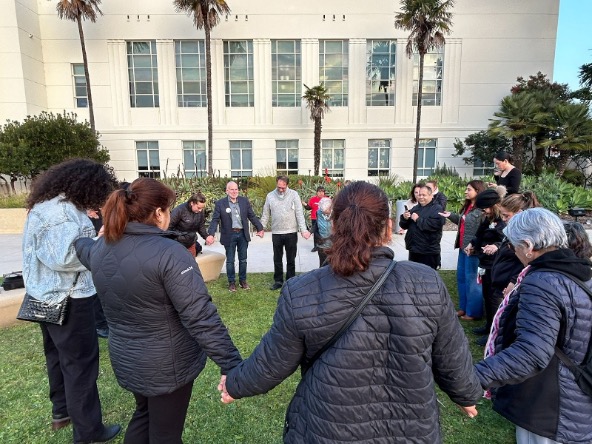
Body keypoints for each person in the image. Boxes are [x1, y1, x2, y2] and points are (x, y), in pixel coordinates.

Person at [219, 182, 481, 443]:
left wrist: (234, 384)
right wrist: (465, 394)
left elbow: (271, 363)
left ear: (334, 225)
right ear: (387, 227)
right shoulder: (426, 282)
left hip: (332, 430)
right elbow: (453, 358)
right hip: (403, 429)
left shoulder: (303, 290)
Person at [75, 178, 242, 443]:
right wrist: (231, 363)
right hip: (167, 367)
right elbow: (200, 317)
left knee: (144, 414)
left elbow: (81, 246)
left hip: (129, 359)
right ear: (158, 213)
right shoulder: (171, 254)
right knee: (165, 433)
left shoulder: (100, 249)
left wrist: (99, 236)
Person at [21, 159, 121, 443]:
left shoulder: (46, 205)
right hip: (69, 299)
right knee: (81, 365)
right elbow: (67, 256)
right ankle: (89, 432)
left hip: (44, 297)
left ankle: (61, 411)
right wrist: (101, 240)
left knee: (57, 357)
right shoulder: (63, 213)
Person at [474, 208, 592, 444]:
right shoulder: (581, 271)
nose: (513, 250)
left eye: (514, 245)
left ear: (528, 246)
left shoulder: (543, 282)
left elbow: (531, 353)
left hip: (552, 405)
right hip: (577, 397)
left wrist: (473, 377)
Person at [439, 180, 486, 319]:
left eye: (469, 189)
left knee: (472, 281)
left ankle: (473, 312)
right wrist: (451, 216)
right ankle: (463, 308)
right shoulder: (468, 206)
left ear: (478, 191)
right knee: (462, 279)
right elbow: (463, 221)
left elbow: (482, 231)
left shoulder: (482, 210)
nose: (466, 191)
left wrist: (475, 246)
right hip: (462, 248)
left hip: (473, 251)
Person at [206, 181, 264, 292]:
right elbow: (215, 220)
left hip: (242, 234)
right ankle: (231, 283)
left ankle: (243, 281)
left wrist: (260, 228)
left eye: (236, 189)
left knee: (243, 260)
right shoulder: (220, 203)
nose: (234, 191)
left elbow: (251, 216)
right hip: (229, 235)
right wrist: (211, 234)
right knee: (230, 260)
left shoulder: (244, 201)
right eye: (231, 189)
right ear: (227, 191)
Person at [464, 188, 507, 328]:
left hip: (496, 264)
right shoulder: (488, 219)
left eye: (486, 209)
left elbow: (506, 240)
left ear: (495, 205)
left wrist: (496, 246)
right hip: (484, 263)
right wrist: (472, 244)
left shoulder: (503, 220)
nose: (484, 212)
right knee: (487, 295)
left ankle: (495, 329)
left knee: (495, 298)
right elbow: (479, 235)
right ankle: (489, 325)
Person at [261, 176, 311, 290]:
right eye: (279, 187)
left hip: (291, 232)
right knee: (277, 258)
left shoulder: (294, 195)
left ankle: (290, 281)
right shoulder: (270, 196)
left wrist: (303, 230)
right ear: (276, 184)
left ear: (287, 185)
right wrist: (261, 228)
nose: (281, 189)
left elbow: (299, 214)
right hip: (277, 233)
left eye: (283, 187)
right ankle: (278, 281)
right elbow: (265, 214)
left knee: (291, 258)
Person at [399, 184, 445, 269]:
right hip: (414, 249)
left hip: (428, 251)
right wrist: (404, 218)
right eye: (419, 195)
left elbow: (434, 225)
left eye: (424, 195)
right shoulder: (415, 208)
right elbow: (404, 226)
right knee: (414, 275)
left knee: (428, 277)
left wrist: (418, 219)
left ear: (431, 195)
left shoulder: (437, 209)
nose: (421, 197)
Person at [302, 186, 326, 252]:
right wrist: (305, 204)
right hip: (314, 218)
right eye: (319, 191)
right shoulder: (313, 199)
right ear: (317, 192)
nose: (321, 193)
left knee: (323, 233)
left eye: (322, 192)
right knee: (315, 233)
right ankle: (316, 246)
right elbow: (309, 207)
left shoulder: (326, 200)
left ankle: (324, 245)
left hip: (324, 219)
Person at [315, 196, 332, 267]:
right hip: (321, 244)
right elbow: (316, 226)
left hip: (333, 245)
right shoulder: (319, 212)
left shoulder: (336, 214)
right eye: (323, 212)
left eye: (327, 212)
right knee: (322, 265)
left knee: (332, 265)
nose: (325, 214)